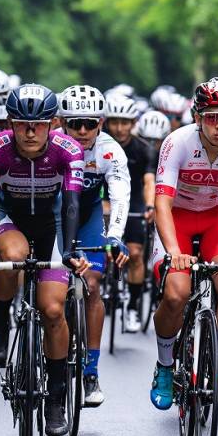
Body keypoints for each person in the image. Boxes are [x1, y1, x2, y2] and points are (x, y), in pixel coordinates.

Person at [0, 83, 89, 436]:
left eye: (38, 124)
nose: (29, 132)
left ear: (52, 123)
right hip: (12, 218)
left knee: (53, 310)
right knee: (11, 257)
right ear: (9, 122)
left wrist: (69, 250)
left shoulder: (68, 150)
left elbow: (71, 205)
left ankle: (55, 398)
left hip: (53, 224)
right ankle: (0, 326)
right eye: (21, 123)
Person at [149, 77, 218, 408]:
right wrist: (174, 253)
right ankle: (165, 368)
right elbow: (162, 205)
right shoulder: (177, 143)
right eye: (211, 117)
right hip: (178, 220)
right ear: (197, 117)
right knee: (176, 294)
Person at [58, 85, 131, 407]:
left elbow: (119, 197)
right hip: (52, 217)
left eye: (90, 122)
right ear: (61, 123)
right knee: (52, 287)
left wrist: (114, 236)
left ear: (101, 123)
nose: (83, 130)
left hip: (87, 217)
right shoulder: (50, 145)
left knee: (91, 284)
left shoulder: (110, 151)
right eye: (75, 123)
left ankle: (90, 370)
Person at [104, 96, 156, 332]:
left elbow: (148, 181)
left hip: (134, 201)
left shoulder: (144, 149)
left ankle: (133, 306)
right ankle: (105, 284)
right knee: (101, 251)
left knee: (135, 253)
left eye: (125, 122)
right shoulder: (99, 144)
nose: (120, 128)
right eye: (115, 122)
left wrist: (150, 206)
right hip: (104, 199)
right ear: (106, 122)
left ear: (133, 123)